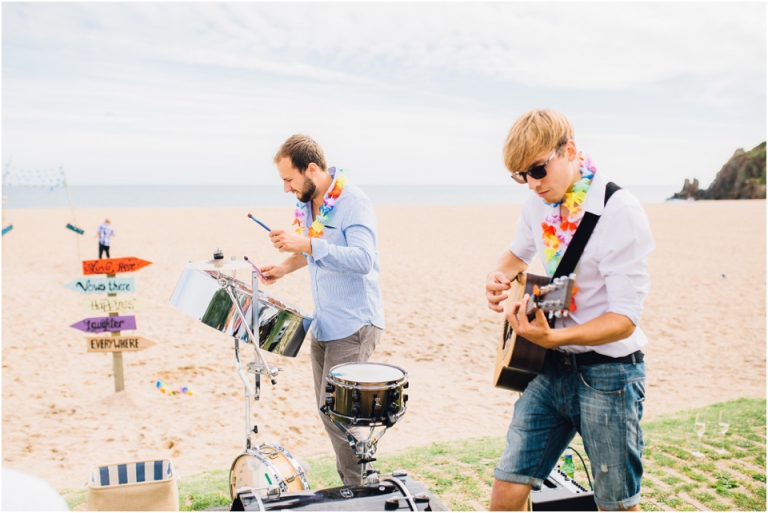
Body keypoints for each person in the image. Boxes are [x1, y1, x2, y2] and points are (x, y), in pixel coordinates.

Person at [485, 109, 654, 511]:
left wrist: (554, 336)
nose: (531, 184)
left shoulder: (620, 212)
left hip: (610, 376)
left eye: (538, 170)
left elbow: (625, 319)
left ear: (570, 151)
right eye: (521, 176)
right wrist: (497, 279)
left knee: (617, 502)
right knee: (507, 484)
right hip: (549, 369)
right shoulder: (537, 206)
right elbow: (516, 254)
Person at [259, 134, 385, 487]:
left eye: (289, 179)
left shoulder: (354, 202)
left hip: (355, 322)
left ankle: (360, 489)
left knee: (342, 415)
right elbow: (312, 250)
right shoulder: (308, 202)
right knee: (329, 412)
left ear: (311, 169)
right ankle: (357, 483)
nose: (286, 188)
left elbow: (363, 259)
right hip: (326, 322)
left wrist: (307, 243)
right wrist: (284, 267)